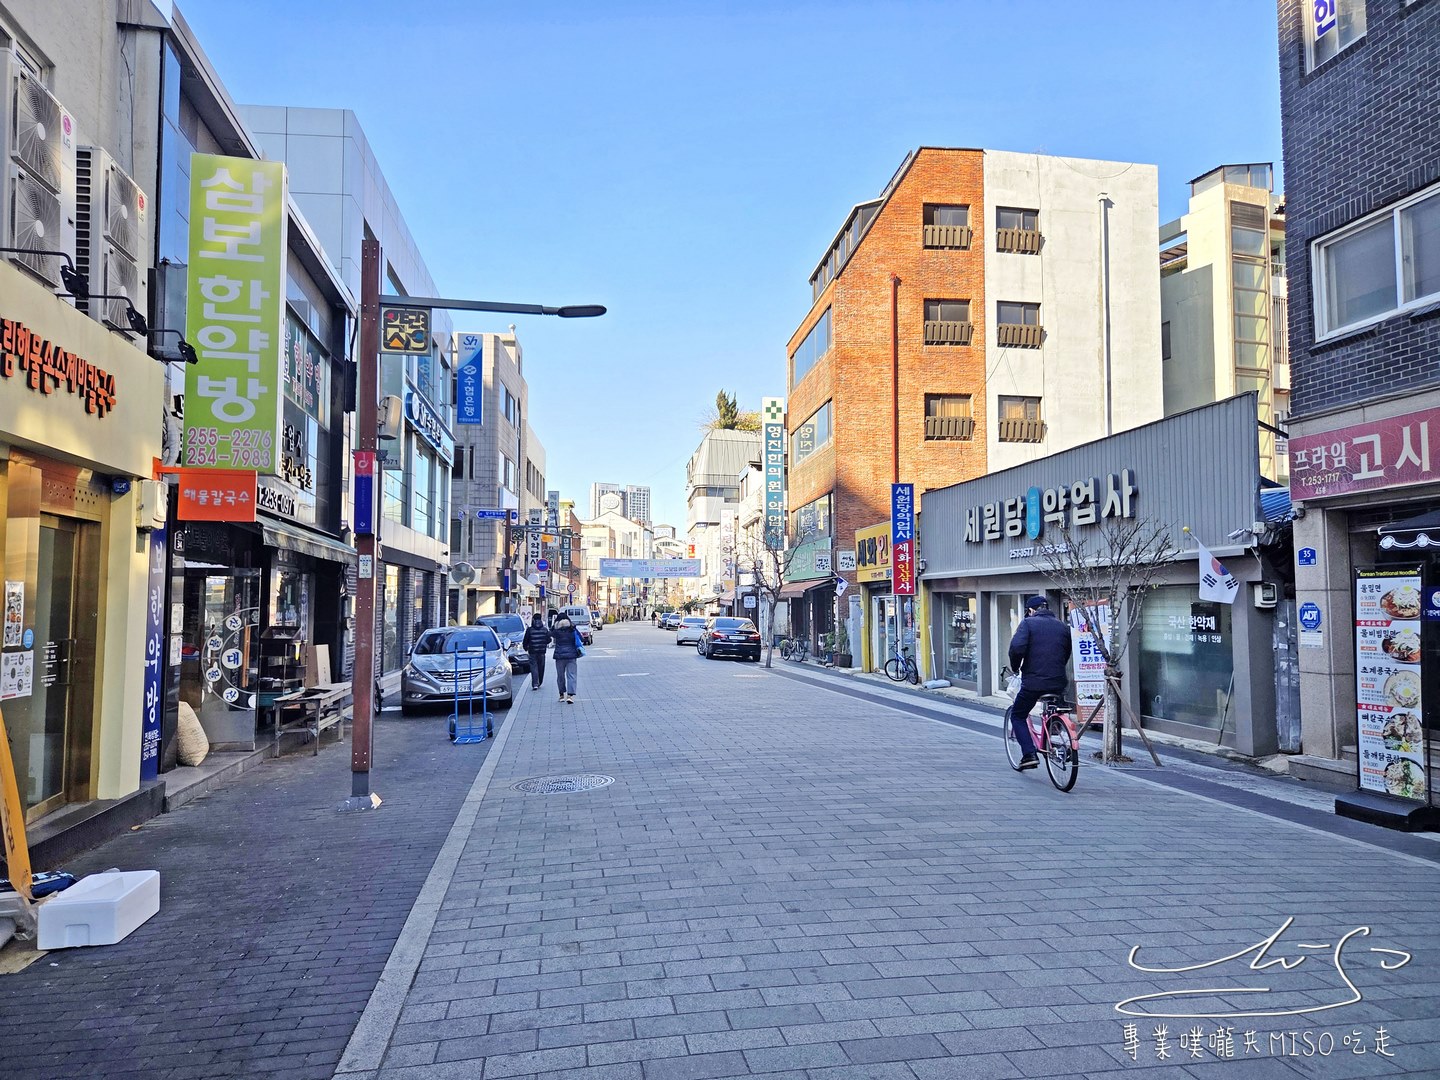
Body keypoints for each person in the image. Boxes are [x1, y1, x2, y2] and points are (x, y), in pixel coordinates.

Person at [1007, 595, 1072, 770]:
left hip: (1034, 682)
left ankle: (1029, 754)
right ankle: (1053, 735)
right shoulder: (1062, 626)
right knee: (1053, 707)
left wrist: (1016, 667)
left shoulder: (1028, 624)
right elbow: (1066, 652)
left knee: (1018, 715)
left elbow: (1016, 648)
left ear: (1031, 610)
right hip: (1058, 681)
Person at [551, 610, 582, 703]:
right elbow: (581, 638)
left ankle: (561, 695)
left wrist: (554, 626)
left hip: (559, 656)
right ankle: (570, 696)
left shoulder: (556, 631)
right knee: (571, 675)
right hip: (571, 656)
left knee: (560, 676)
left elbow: (549, 634)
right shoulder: (572, 629)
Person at [521, 612, 552, 691]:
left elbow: (525, 640)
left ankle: (535, 684)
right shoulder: (545, 629)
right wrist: (543, 643)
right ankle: (539, 682)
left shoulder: (529, 630)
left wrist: (525, 647)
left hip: (532, 651)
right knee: (541, 667)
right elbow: (549, 640)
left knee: (534, 667)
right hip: (542, 652)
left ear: (533, 619)